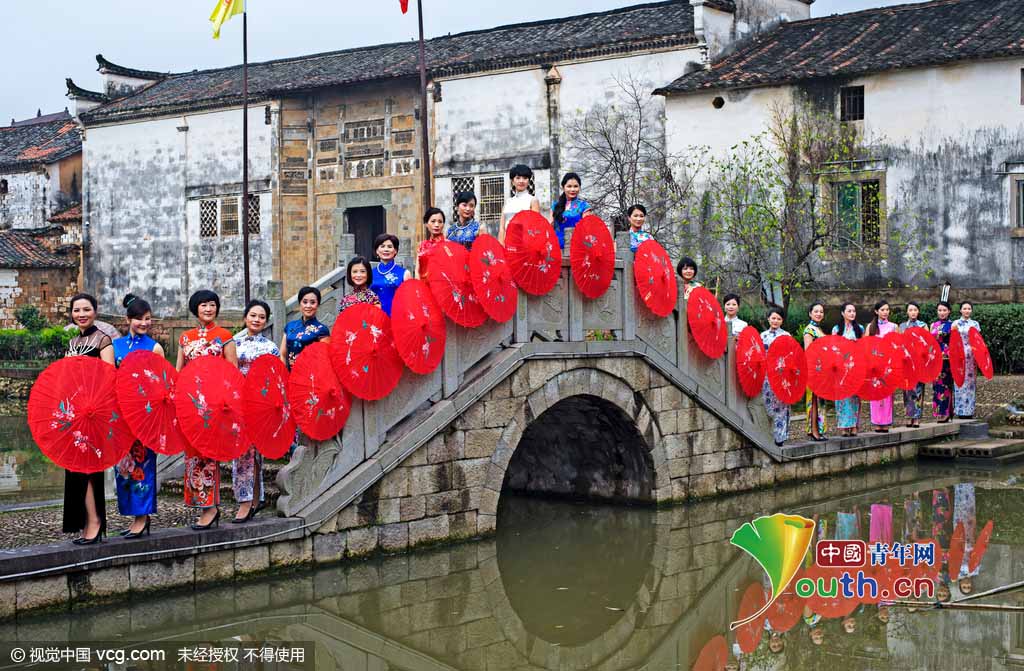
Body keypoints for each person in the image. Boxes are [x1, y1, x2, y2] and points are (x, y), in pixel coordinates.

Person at [177, 289, 237, 530]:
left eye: (212, 304)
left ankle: (211, 508)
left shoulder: (224, 336)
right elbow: (180, 371)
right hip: (191, 404)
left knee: (209, 454)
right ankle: (203, 506)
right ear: (196, 308)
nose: (208, 309)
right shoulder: (185, 338)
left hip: (214, 404)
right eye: (203, 305)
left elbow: (232, 372)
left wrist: (226, 400)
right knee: (193, 455)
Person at [63, 293, 114, 545]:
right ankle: (85, 521)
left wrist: (94, 404)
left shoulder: (103, 340)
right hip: (74, 412)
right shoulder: (73, 342)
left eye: (86, 309)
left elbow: (109, 378)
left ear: (95, 311)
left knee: (89, 468)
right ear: (72, 314)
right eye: (77, 310)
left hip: (93, 412)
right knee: (74, 468)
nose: (81, 314)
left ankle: (95, 522)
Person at [112, 293, 163, 538]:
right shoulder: (115, 346)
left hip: (144, 414)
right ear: (128, 320)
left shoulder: (154, 347)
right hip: (121, 414)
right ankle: (133, 515)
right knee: (123, 467)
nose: (144, 323)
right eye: (139, 319)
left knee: (143, 465)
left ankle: (142, 518)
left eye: (148, 319)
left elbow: (161, 383)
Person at [232, 299, 280, 523]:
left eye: (261, 317)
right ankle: (248, 499)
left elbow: (275, 377)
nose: (257, 320)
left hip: (260, 405)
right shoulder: (234, 344)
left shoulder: (270, 347)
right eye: (253, 315)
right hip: (238, 403)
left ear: (266, 321)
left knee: (254, 453)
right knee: (241, 452)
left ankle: (250, 500)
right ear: (245, 318)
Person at [832, 303, 864, 437]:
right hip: (841, 366)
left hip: (855, 365)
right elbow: (834, 348)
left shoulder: (860, 328)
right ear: (843, 313)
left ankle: (854, 425)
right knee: (842, 397)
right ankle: (844, 426)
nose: (852, 313)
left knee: (855, 396)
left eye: (854, 311)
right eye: (849, 311)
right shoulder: (837, 329)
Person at [865, 300, 896, 433]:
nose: (885, 312)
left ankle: (886, 422)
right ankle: (877, 422)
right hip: (874, 364)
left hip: (888, 364)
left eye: (887, 309)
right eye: (882, 310)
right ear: (876, 311)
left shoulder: (893, 326)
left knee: (887, 394)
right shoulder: (870, 327)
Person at [762, 306, 790, 447]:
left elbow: (791, 355)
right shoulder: (762, 336)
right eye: (773, 318)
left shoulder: (786, 336)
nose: (775, 321)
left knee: (782, 406)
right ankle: (767, 435)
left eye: (778, 319)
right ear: (768, 319)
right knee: (767, 404)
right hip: (766, 375)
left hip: (781, 374)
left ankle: (780, 437)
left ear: (782, 321)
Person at [899, 302, 929, 427]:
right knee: (907, 390)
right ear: (907, 312)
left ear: (918, 311)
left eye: (915, 310)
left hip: (919, 361)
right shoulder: (901, 326)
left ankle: (916, 417)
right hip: (906, 361)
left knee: (918, 390)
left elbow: (927, 343)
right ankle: (908, 415)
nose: (913, 312)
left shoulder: (923, 325)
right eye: (910, 310)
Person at [802, 303, 828, 441]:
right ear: (810, 313)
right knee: (813, 400)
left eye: (821, 312)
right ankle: (813, 431)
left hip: (822, 369)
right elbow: (808, 351)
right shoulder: (809, 330)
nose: (819, 314)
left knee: (820, 401)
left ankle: (819, 429)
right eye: (816, 311)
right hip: (813, 369)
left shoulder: (819, 329)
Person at [370, 234, 410, 316]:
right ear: (377, 250)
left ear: (395, 251)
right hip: (375, 318)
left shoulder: (404, 274)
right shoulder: (370, 273)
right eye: (382, 246)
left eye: (389, 247)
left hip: (396, 317)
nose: (386, 249)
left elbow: (410, 300)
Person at [953, 301, 981, 419]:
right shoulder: (955, 323)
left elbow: (978, 341)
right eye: (964, 308)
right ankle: (960, 410)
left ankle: (969, 411)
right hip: (959, 355)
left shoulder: (975, 324)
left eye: (969, 308)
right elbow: (952, 340)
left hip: (971, 356)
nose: (967, 310)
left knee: (970, 383)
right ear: (960, 310)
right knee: (959, 381)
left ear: (971, 310)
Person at [500, 164, 541, 242]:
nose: (521, 181)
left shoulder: (533, 200)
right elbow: (502, 228)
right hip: (508, 243)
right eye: (518, 178)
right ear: (512, 181)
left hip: (525, 243)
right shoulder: (508, 202)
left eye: (525, 178)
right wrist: (501, 246)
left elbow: (535, 227)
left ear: (528, 181)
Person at [551, 172, 591, 249]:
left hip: (577, 248)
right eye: (569, 186)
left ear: (579, 188)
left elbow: (587, 230)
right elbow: (550, 228)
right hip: (557, 248)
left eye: (575, 186)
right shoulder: (555, 206)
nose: (572, 189)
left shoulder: (584, 206)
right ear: (563, 187)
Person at [931, 301, 954, 423]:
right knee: (936, 385)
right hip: (935, 357)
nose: (942, 312)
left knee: (946, 385)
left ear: (949, 311)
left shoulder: (953, 325)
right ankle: (938, 411)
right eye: (940, 310)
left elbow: (955, 342)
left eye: (944, 310)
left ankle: (946, 412)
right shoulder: (933, 325)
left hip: (947, 358)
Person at [415, 207, 446, 281]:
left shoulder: (448, 245)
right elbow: (417, 270)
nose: (437, 225)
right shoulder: (422, 245)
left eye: (440, 222)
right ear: (426, 224)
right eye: (433, 221)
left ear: (443, 224)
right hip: (424, 285)